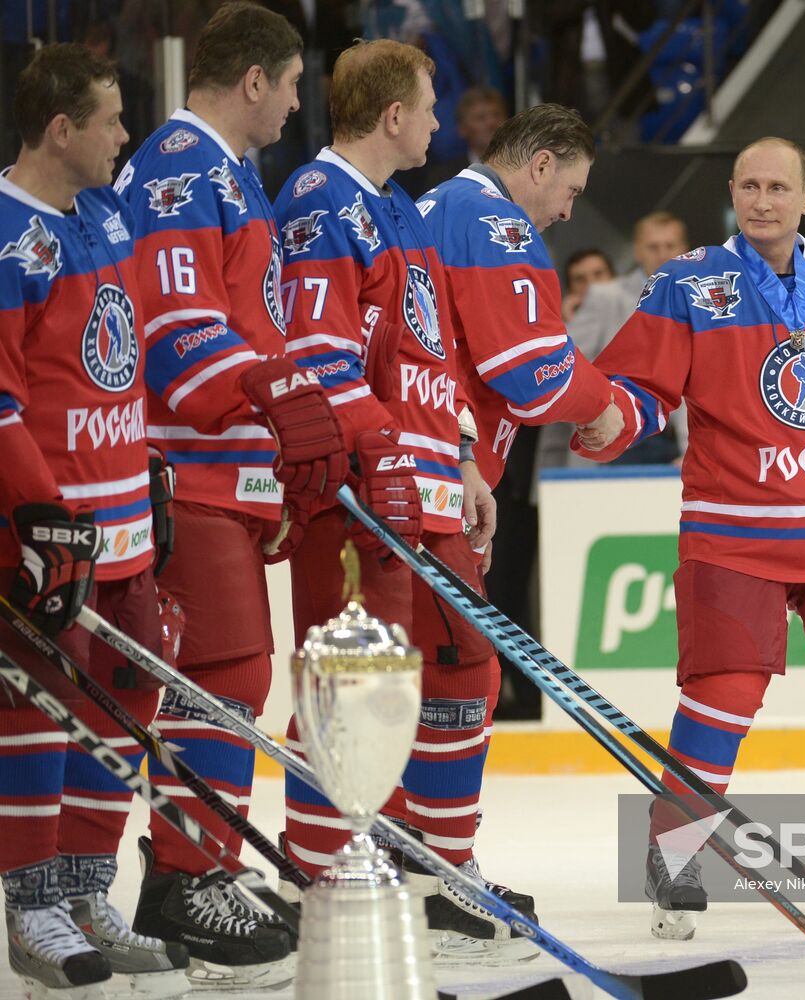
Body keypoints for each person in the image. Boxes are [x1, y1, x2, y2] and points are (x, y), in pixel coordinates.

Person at [574, 137, 805, 937]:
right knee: (723, 695)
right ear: (733, 193)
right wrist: (607, 421)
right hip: (733, 534)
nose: (762, 201)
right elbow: (642, 385)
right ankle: (673, 855)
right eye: (749, 186)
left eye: (778, 187)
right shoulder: (690, 282)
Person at [270, 38, 534, 964]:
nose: (437, 122)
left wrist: (463, 458)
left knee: (464, 672)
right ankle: (320, 875)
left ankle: (439, 870)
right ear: (393, 117)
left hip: (424, 484)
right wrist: (381, 457)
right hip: (359, 492)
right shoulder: (319, 199)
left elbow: (432, 355)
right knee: (356, 690)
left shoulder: (397, 210)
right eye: (428, 107)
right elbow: (318, 356)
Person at [115, 2, 347, 984]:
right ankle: (185, 881)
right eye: (291, 86)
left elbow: (250, 324)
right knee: (222, 675)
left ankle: (198, 870)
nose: (295, 106)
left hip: (223, 465)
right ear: (254, 79)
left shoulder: (231, 173)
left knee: (233, 674)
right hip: (182, 462)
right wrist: (272, 397)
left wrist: (273, 448)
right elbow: (177, 332)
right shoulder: (178, 168)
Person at [0, 42, 189, 999]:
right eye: (111, 120)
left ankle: (82, 892)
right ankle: (31, 904)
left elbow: (118, 365)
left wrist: (147, 469)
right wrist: (41, 515)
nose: (125, 136)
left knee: (124, 705)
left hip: (125, 530)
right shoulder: (5, 237)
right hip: (48, 535)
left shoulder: (106, 214)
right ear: (61, 129)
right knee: (38, 712)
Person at [419, 104, 624, 735]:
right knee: (461, 680)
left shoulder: (432, 206)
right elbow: (532, 374)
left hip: (425, 461)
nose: (568, 212)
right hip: (440, 477)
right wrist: (603, 404)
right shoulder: (496, 220)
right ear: (540, 165)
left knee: (418, 676)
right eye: (572, 191)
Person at [542, 211, 691, 468]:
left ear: (685, 249)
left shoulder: (699, 302)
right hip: (618, 432)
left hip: (675, 440)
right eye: (653, 247)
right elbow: (566, 361)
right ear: (637, 250)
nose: (662, 254)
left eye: (670, 246)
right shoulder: (605, 296)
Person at [560, 247, 616, 323]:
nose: (591, 285)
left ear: (614, 277)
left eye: (598, 274)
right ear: (569, 290)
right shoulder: (564, 322)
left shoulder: (631, 309)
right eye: (580, 279)